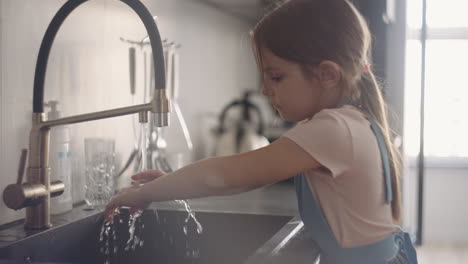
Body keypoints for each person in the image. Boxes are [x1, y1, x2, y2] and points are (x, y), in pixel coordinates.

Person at [105, 0, 418, 263]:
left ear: (327, 75)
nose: (264, 90)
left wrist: (147, 192)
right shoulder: (353, 121)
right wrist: (171, 183)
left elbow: (228, 175)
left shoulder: (332, 129)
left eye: (276, 77)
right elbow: (231, 176)